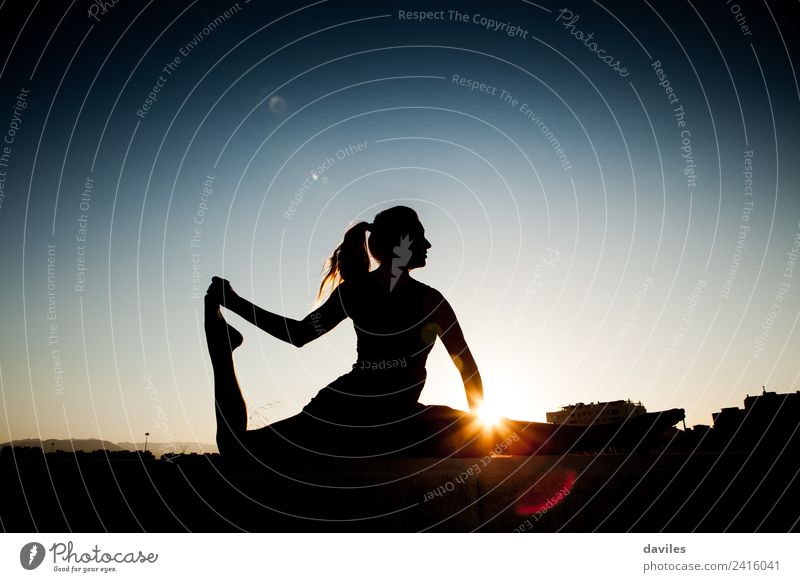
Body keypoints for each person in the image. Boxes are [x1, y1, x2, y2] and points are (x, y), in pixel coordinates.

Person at [204, 205, 683, 461]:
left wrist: (479, 430)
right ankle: (220, 345)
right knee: (238, 450)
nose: (429, 244)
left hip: (382, 420)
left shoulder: (406, 297)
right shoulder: (398, 297)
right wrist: (481, 430)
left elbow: (295, 335)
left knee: (238, 449)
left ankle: (618, 432)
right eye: (421, 236)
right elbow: (299, 334)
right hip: (349, 418)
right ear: (398, 246)